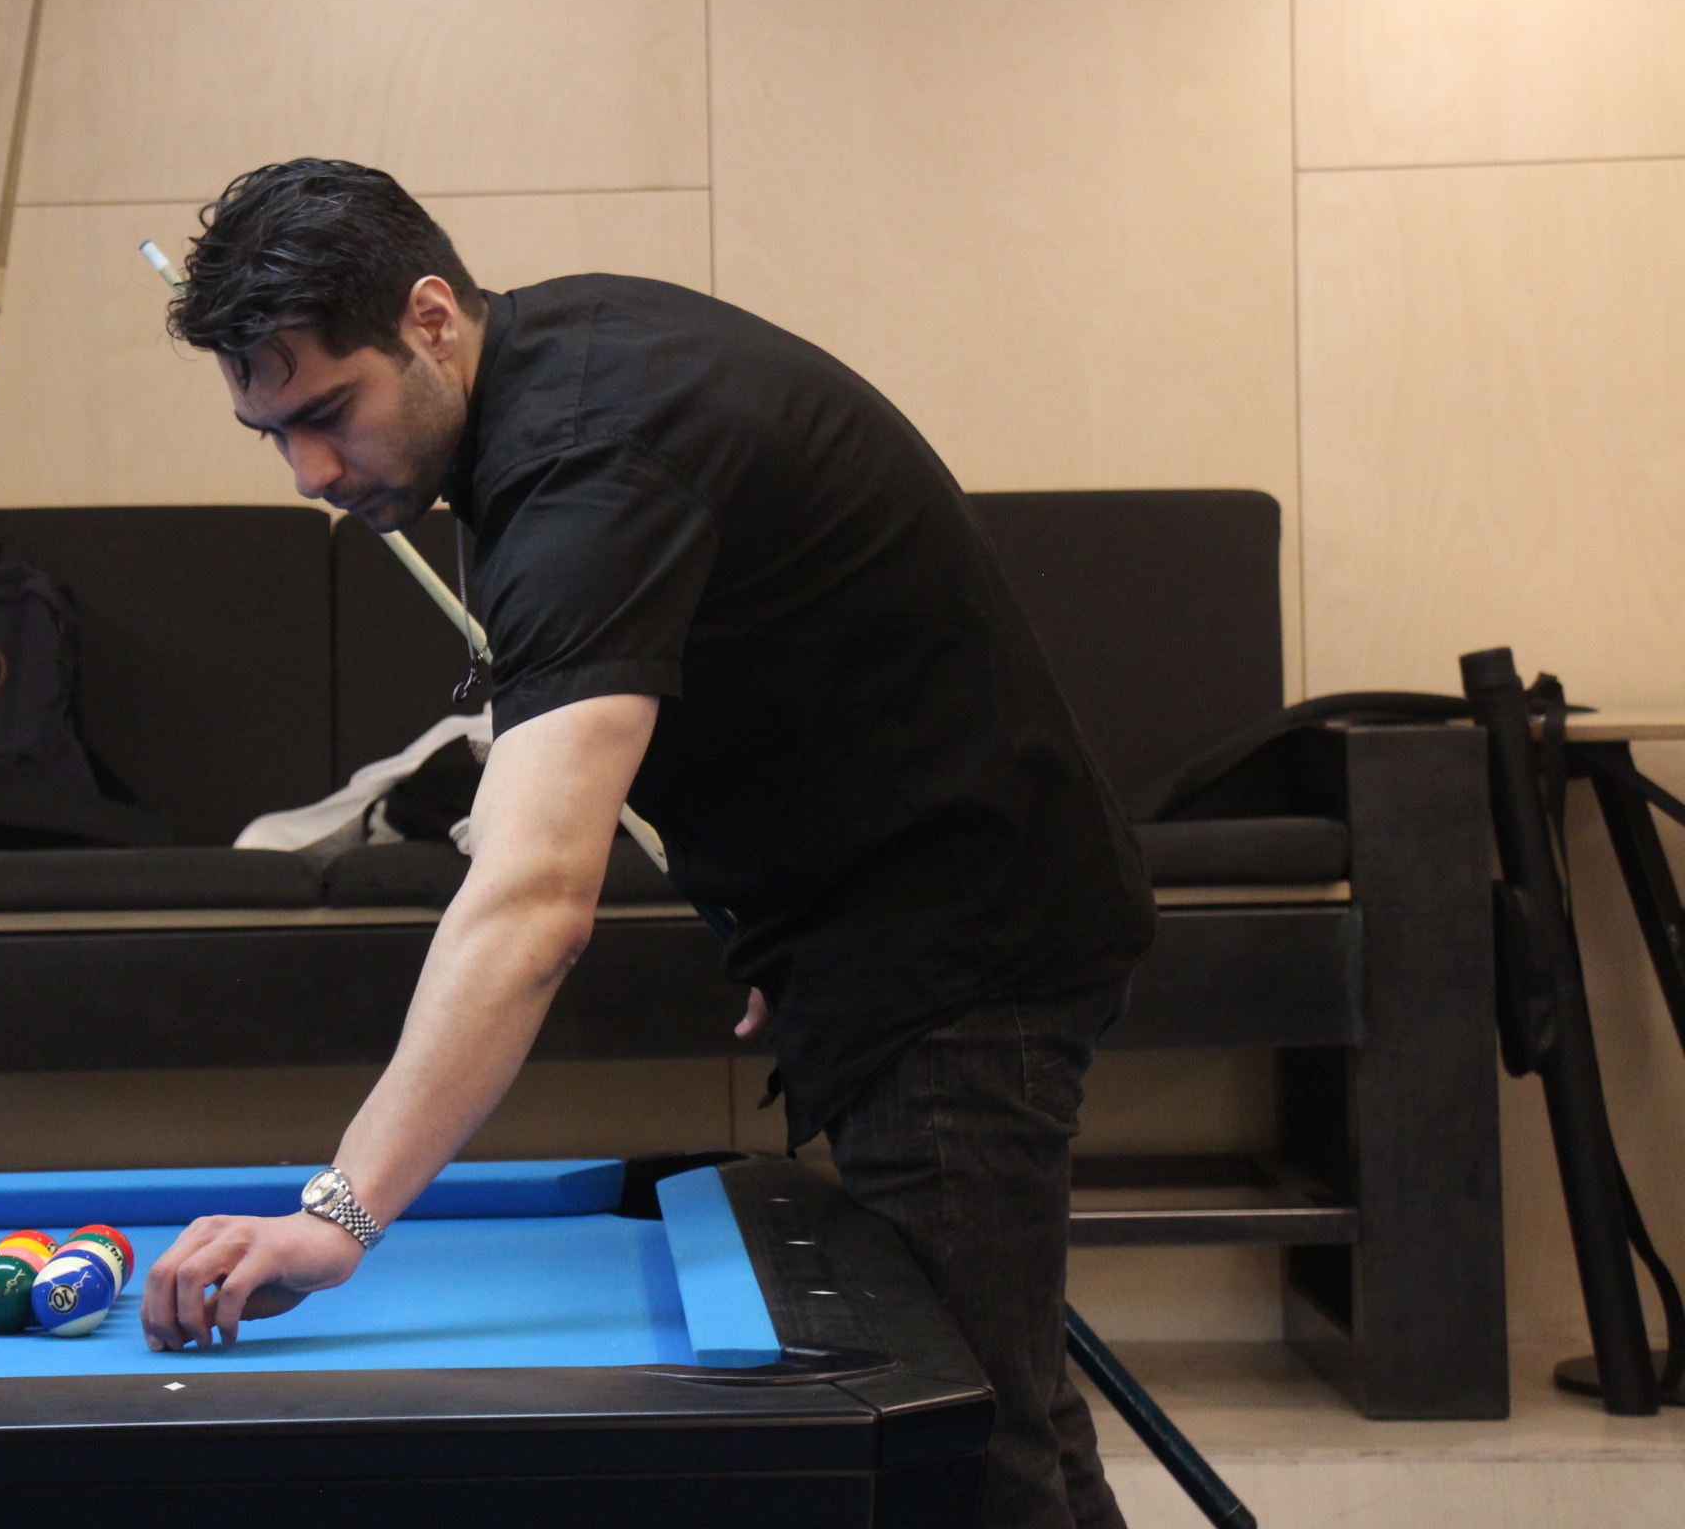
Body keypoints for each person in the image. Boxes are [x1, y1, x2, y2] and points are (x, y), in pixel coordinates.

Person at [138, 158, 1155, 1529]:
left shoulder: (586, 470)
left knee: (966, 1457)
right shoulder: (564, 352)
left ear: (429, 317)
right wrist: (783, 910)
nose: (311, 473)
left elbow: (533, 900)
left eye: (328, 413)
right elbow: (773, 650)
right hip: (908, 913)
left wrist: (342, 1213)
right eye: (272, 432)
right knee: (1006, 1415)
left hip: (960, 950)